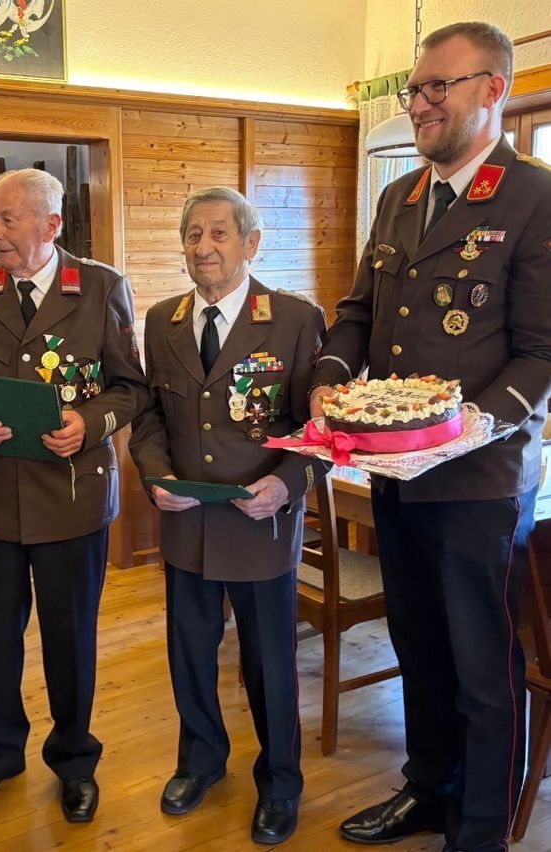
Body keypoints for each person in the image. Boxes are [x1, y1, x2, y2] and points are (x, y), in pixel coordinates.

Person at [308, 22, 551, 852]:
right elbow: (359, 315)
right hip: (394, 470)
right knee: (417, 645)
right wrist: (332, 375)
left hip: (481, 481)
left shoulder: (535, 195)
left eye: (436, 88)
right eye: (416, 90)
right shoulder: (399, 197)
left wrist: (482, 417)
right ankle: (429, 789)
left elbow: (542, 349)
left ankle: (480, 832)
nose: (420, 104)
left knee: (485, 671)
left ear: (493, 89)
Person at [0, 168, 148, 823]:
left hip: (73, 496)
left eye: (7, 219)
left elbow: (129, 388)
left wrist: (90, 425)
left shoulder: (102, 287)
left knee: (70, 638)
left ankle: (75, 761)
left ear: (51, 225)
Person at [129, 186, 330, 845]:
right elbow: (150, 417)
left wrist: (287, 484)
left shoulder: (296, 319)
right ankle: (202, 762)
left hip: (262, 523)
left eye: (219, 233)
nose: (203, 246)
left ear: (251, 244)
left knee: (270, 662)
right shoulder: (162, 320)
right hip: (187, 522)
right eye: (192, 234)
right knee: (189, 653)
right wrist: (156, 477)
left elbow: (318, 431)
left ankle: (280, 783)